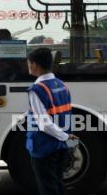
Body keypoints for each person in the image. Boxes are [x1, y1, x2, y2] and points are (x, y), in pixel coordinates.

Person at [25, 47, 78, 195]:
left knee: (48, 188)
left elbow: (43, 123)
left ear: (35, 64)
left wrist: (65, 136)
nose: (28, 66)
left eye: (28, 63)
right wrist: (68, 138)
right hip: (62, 146)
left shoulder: (37, 90)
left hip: (44, 146)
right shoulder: (62, 85)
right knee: (58, 184)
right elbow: (66, 114)